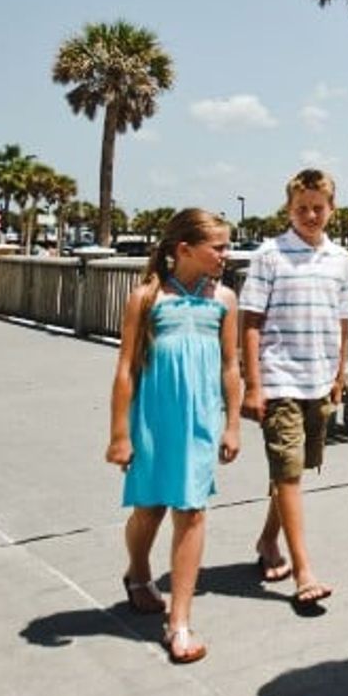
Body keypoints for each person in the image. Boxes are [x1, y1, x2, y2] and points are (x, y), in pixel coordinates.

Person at [106, 209, 242, 664]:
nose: (226, 255)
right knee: (149, 509)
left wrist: (233, 423)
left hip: (200, 421)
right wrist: (119, 433)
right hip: (153, 420)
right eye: (218, 247)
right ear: (184, 249)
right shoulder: (147, 299)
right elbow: (126, 368)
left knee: (192, 511)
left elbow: (230, 366)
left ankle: (179, 620)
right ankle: (138, 571)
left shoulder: (224, 299)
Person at [239, 168, 348, 612]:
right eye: (301, 208)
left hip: (320, 378)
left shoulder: (340, 260)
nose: (310, 215)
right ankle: (304, 570)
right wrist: (254, 384)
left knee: (296, 467)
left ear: (331, 209)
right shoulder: (269, 255)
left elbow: (344, 322)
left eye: (318, 208)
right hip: (279, 377)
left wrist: (339, 374)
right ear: (288, 209)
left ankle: (269, 538)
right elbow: (250, 322)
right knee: (288, 469)